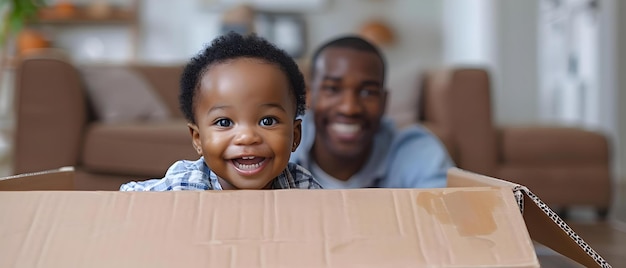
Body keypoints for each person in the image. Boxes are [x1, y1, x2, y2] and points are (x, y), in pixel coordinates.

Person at [121, 32, 321, 191]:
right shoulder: (183, 186)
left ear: (295, 136)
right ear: (198, 139)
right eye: (224, 122)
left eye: (267, 121)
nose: (247, 137)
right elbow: (126, 202)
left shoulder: (302, 186)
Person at [290, 35, 454, 189]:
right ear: (309, 96)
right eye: (332, 89)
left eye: (367, 92)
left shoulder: (417, 152)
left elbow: (443, 215)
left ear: (384, 101)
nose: (349, 108)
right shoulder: (280, 146)